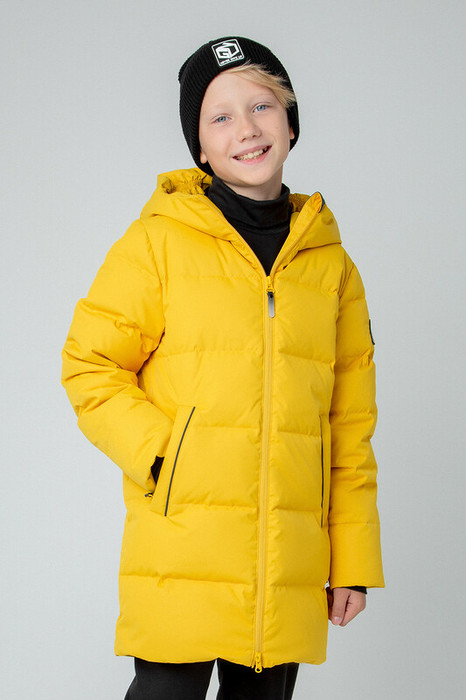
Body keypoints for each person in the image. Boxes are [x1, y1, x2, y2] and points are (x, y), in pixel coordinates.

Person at [61, 36, 384, 700]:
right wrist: (166, 457)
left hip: (286, 562)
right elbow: (90, 365)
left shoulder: (331, 268)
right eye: (221, 116)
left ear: (291, 123)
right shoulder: (157, 243)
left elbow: (348, 426)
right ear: (201, 148)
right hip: (183, 548)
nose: (247, 128)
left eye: (262, 106)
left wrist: (352, 560)